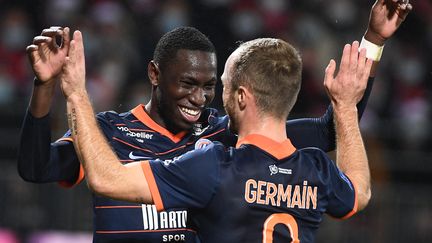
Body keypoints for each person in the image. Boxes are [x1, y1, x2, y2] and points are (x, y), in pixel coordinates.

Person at [17, 0, 411, 242]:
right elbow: (36, 168)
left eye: (209, 86)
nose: (200, 97)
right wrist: (45, 86)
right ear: (155, 74)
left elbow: (333, 127)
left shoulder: (226, 137)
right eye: (188, 84)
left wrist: (373, 41)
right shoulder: (105, 131)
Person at [59, 30, 371, 242]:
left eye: (223, 85)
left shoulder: (216, 166)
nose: (213, 97)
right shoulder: (317, 170)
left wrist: (75, 93)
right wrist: (344, 104)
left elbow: (105, 179)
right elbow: (359, 193)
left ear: (242, 97)